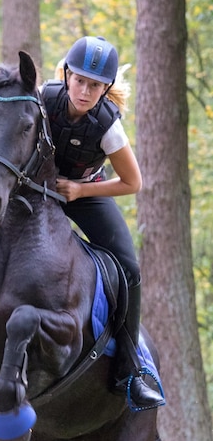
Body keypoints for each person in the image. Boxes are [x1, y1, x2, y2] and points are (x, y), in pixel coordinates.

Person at [41, 35, 165, 410]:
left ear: (105, 88)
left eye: (94, 85)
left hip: (85, 195)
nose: (84, 90)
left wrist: (79, 191)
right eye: (79, 80)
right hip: (37, 191)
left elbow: (133, 183)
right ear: (66, 76)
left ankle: (130, 370)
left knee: (128, 269)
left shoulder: (108, 125)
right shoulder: (43, 98)